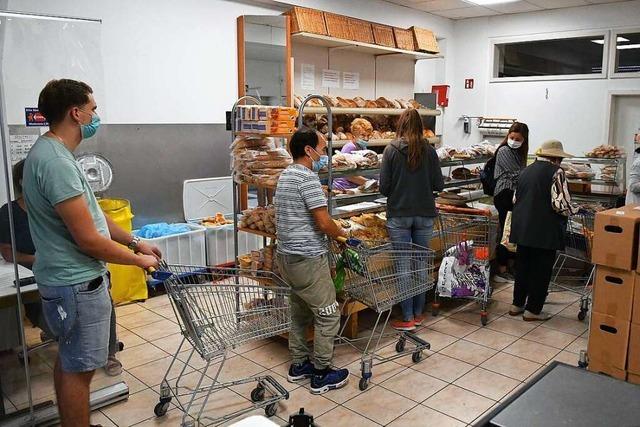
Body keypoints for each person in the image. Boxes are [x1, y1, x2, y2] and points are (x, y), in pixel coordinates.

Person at [23, 79, 161, 426]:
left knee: (70, 360)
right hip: (76, 283)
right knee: (80, 370)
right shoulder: (55, 163)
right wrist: (138, 260)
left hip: (66, 281)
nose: (96, 115)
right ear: (75, 112)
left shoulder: (52, 154)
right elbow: (88, 239)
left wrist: (135, 242)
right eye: (93, 109)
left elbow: (94, 218)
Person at [0, 160, 123, 376]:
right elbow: (8, 253)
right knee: (56, 320)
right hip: (37, 274)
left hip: (71, 270)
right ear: (24, 182)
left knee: (102, 295)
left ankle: (109, 353)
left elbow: (92, 230)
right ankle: (62, 337)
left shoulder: (59, 205)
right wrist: (39, 259)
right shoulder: (8, 213)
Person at [274, 128, 350, 395]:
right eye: (322, 147)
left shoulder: (284, 176)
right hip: (307, 257)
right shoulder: (307, 179)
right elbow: (322, 220)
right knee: (328, 313)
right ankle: (321, 373)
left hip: (286, 256)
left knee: (300, 311)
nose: (324, 152)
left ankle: (299, 365)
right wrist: (343, 234)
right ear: (308, 150)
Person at [379, 109, 444, 331]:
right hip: (425, 214)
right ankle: (418, 313)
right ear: (420, 126)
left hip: (399, 215)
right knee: (420, 265)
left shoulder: (391, 150)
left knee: (403, 267)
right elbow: (439, 185)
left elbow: (383, 188)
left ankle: (407, 317)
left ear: (401, 126)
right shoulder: (430, 151)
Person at [509, 140, 577, 321]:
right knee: (541, 270)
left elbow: (516, 199)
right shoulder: (557, 172)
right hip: (544, 231)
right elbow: (560, 205)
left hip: (522, 227)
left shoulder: (526, 171)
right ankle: (532, 310)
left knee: (523, 267)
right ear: (556, 158)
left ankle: (517, 305)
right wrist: (577, 209)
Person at [493, 122, 529, 283]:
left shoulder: (520, 153)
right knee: (506, 231)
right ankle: (501, 267)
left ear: (524, 140)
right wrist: (529, 175)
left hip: (515, 195)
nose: (513, 140)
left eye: (518, 138)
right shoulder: (504, 150)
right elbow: (516, 174)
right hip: (504, 193)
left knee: (514, 230)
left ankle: (512, 265)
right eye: (511, 137)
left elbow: (521, 173)